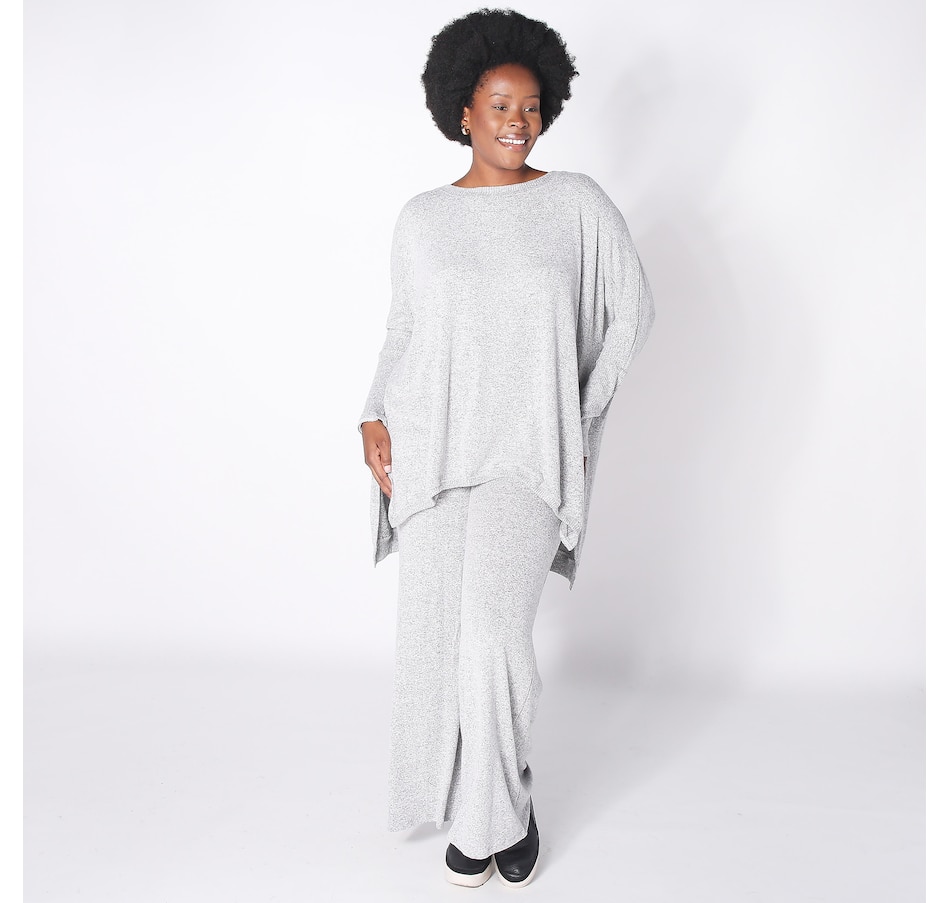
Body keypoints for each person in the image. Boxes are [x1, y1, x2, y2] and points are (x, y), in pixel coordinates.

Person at [357, 8, 655, 888]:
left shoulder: (576, 204)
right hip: (433, 452)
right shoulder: (423, 218)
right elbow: (403, 332)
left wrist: (579, 417)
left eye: (530, 106)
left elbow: (632, 312)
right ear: (463, 110)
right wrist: (372, 414)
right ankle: (498, 807)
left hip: (527, 457)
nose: (517, 121)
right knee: (439, 646)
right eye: (499, 104)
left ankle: (494, 816)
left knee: (491, 636)